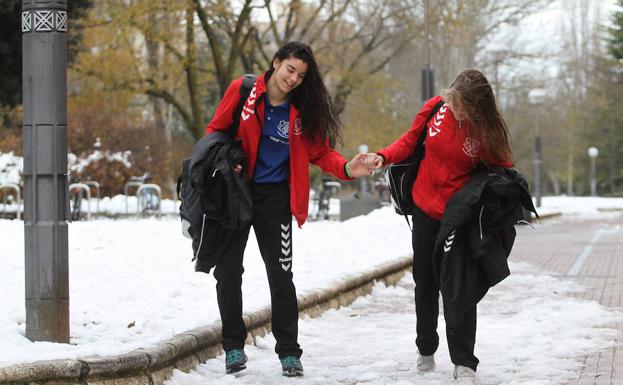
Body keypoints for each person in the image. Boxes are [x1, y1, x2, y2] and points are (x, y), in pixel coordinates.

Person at [204, 41, 373, 377]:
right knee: (228, 272)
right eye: (290, 69)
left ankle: (289, 353)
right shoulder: (243, 91)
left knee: (281, 277)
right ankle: (233, 347)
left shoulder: (302, 110)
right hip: (236, 194)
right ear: (276, 62)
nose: (293, 78)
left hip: (276, 200)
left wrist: (347, 169)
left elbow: (322, 153)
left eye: (301, 75)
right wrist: (223, 163)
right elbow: (215, 131)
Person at [366, 68, 514, 384]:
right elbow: (409, 140)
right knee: (426, 281)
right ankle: (426, 348)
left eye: (460, 105)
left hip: (458, 217)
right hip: (423, 208)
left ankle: (464, 362)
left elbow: (501, 172)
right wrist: (383, 156)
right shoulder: (435, 108)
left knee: (459, 284)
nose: (454, 109)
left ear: (476, 106)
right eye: (452, 101)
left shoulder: (485, 131)